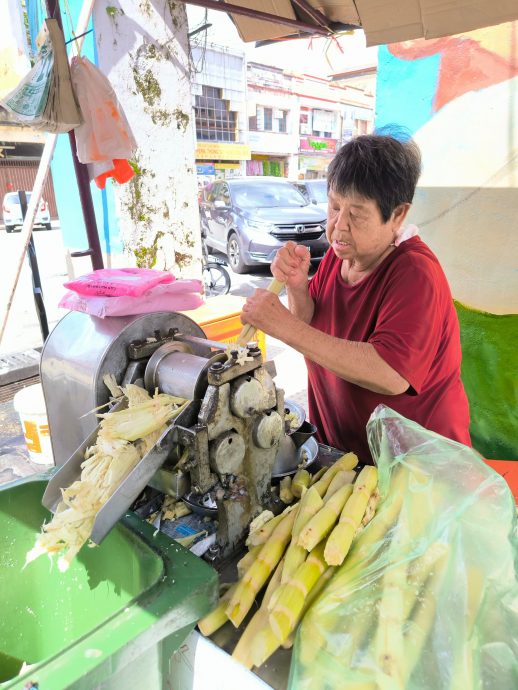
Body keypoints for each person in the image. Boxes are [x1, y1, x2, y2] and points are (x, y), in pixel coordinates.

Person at [240, 134, 471, 463]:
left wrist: (282, 326)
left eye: (357, 214)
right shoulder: (342, 254)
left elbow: (390, 373)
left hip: (416, 468)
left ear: (398, 215)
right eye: (334, 206)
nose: (338, 227)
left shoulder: (414, 274)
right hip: (349, 456)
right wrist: (296, 286)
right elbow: (309, 320)